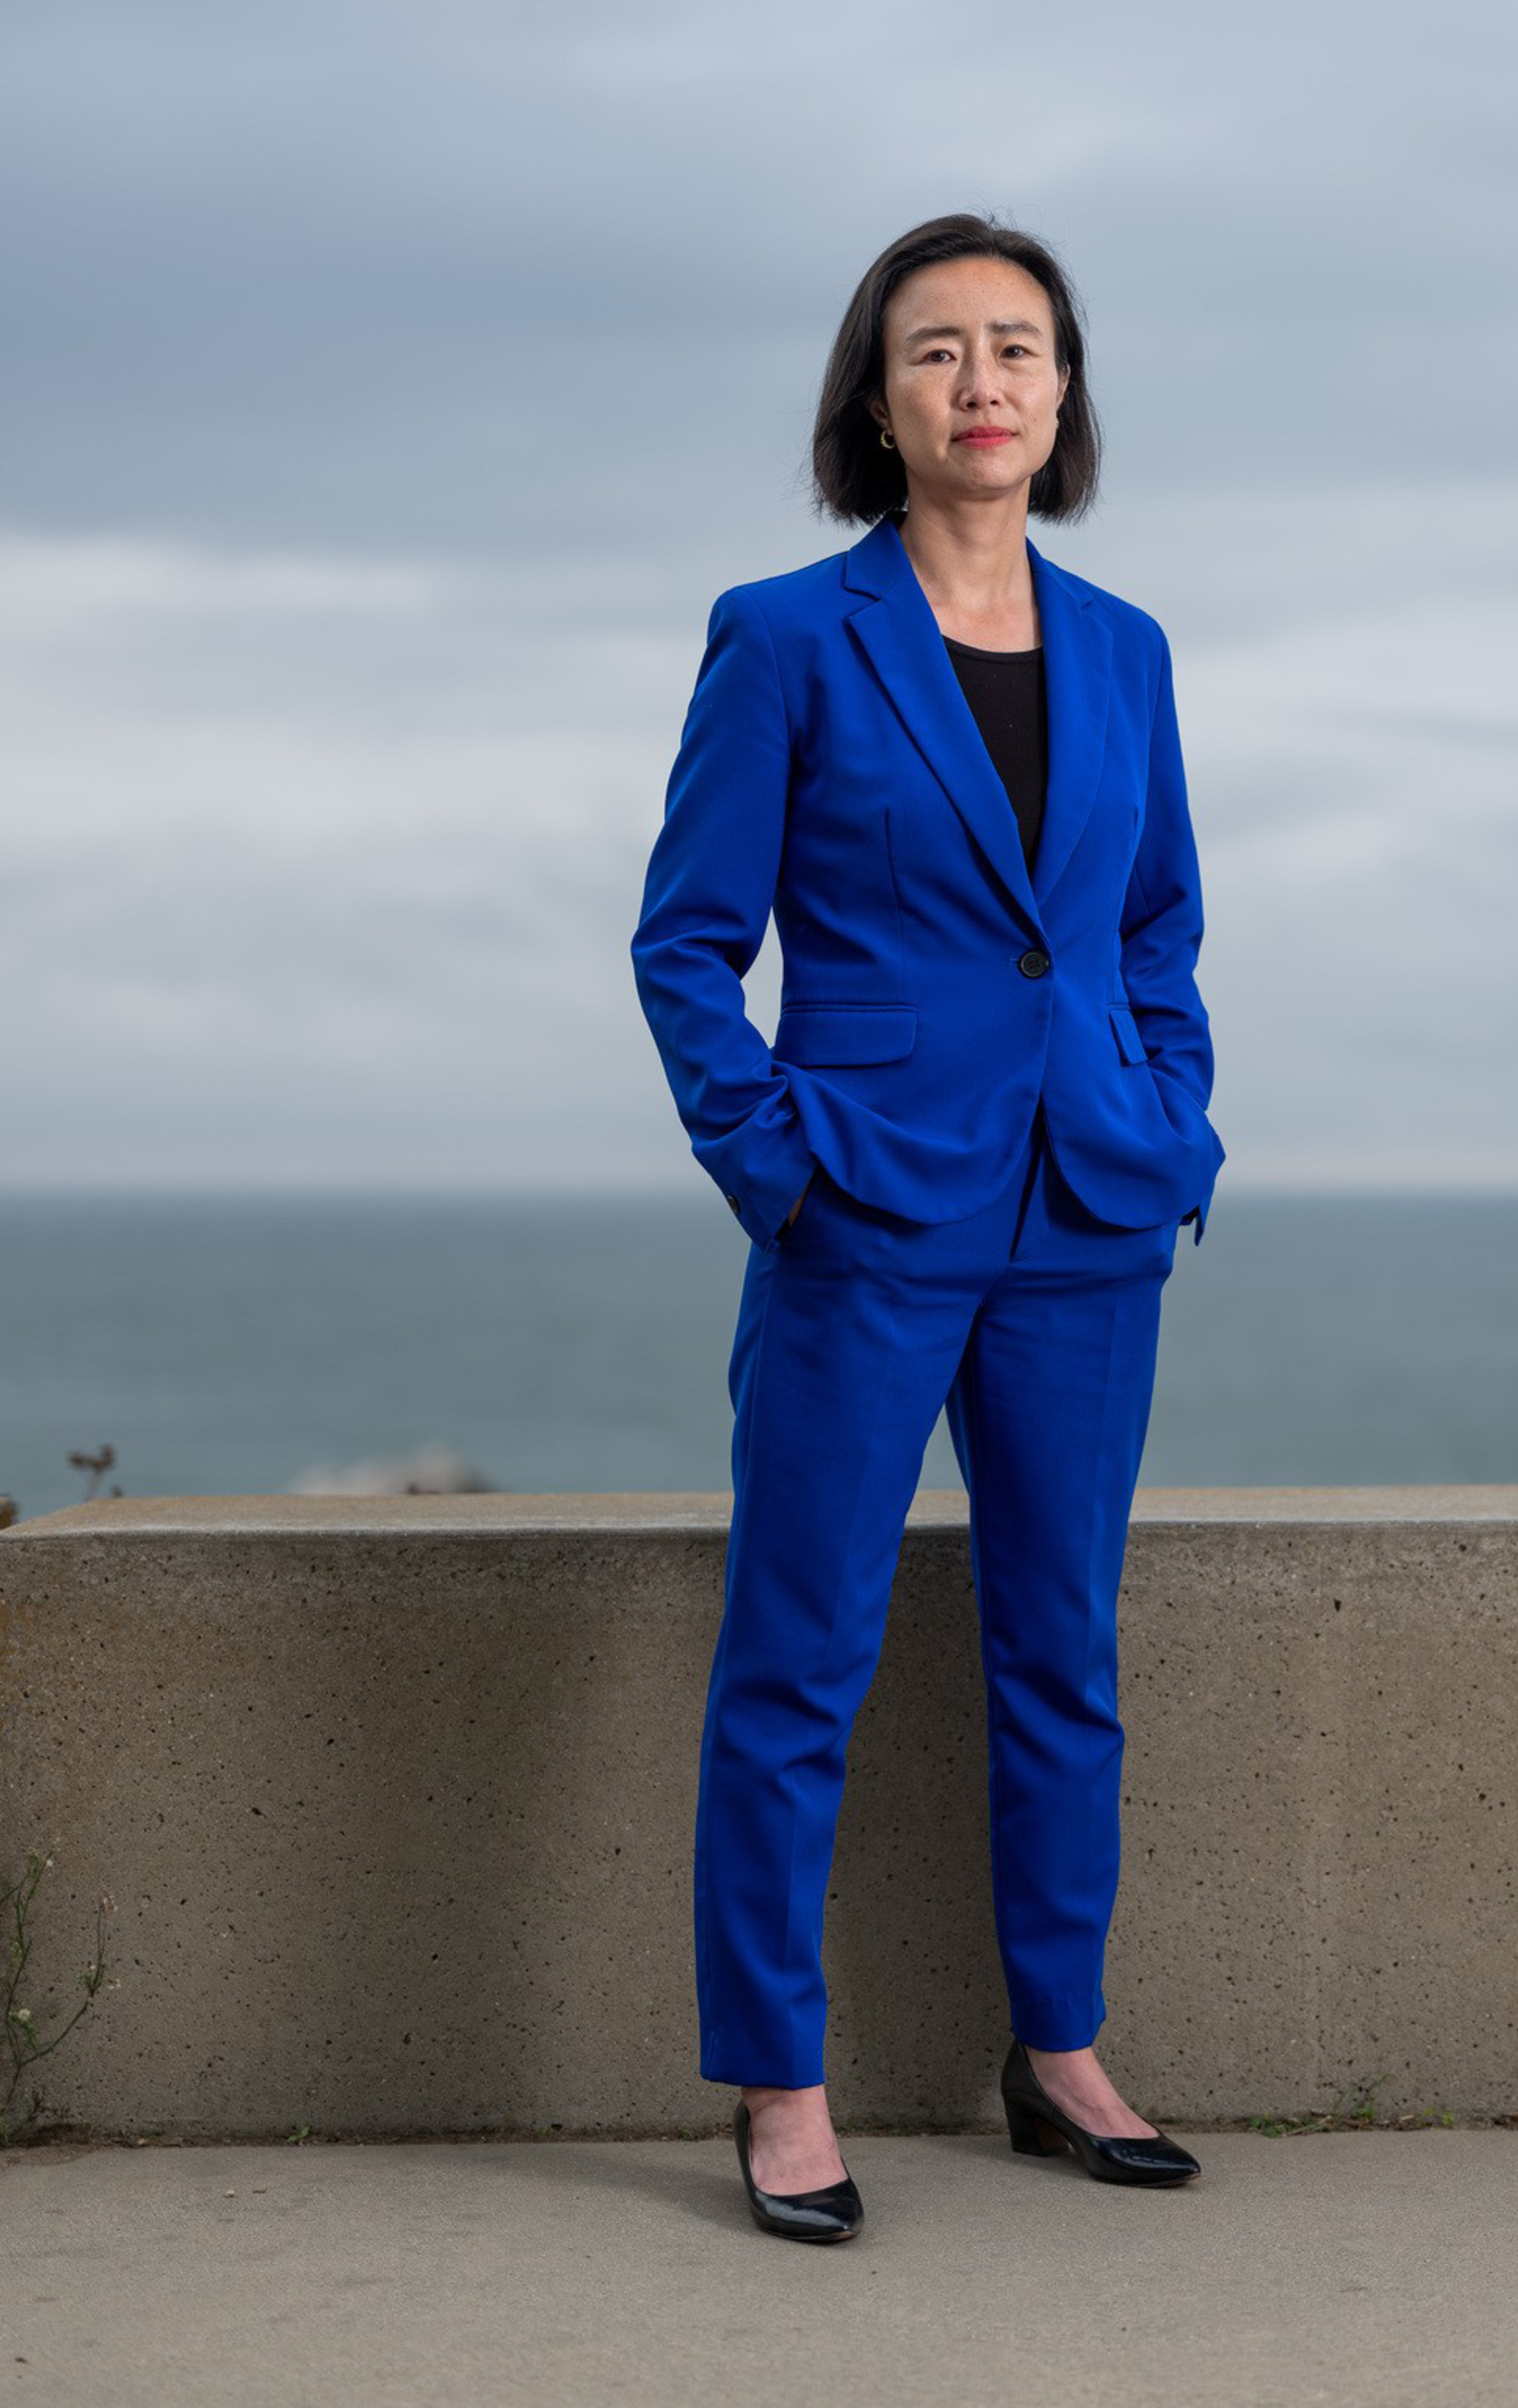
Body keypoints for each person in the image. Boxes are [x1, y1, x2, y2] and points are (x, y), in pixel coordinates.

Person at [630, 213, 1226, 2242]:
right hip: (866, 1208)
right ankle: (779, 2087)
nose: (986, 380)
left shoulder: (1130, 648)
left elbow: (1152, 926)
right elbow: (686, 947)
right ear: (874, 404)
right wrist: (778, 1159)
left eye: (1022, 348)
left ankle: (1058, 2048)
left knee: (1065, 1646)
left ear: (1064, 397)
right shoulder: (787, 635)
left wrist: (1175, 1113)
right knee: (802, 1654)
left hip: (1089, 1208)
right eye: (940, 350)